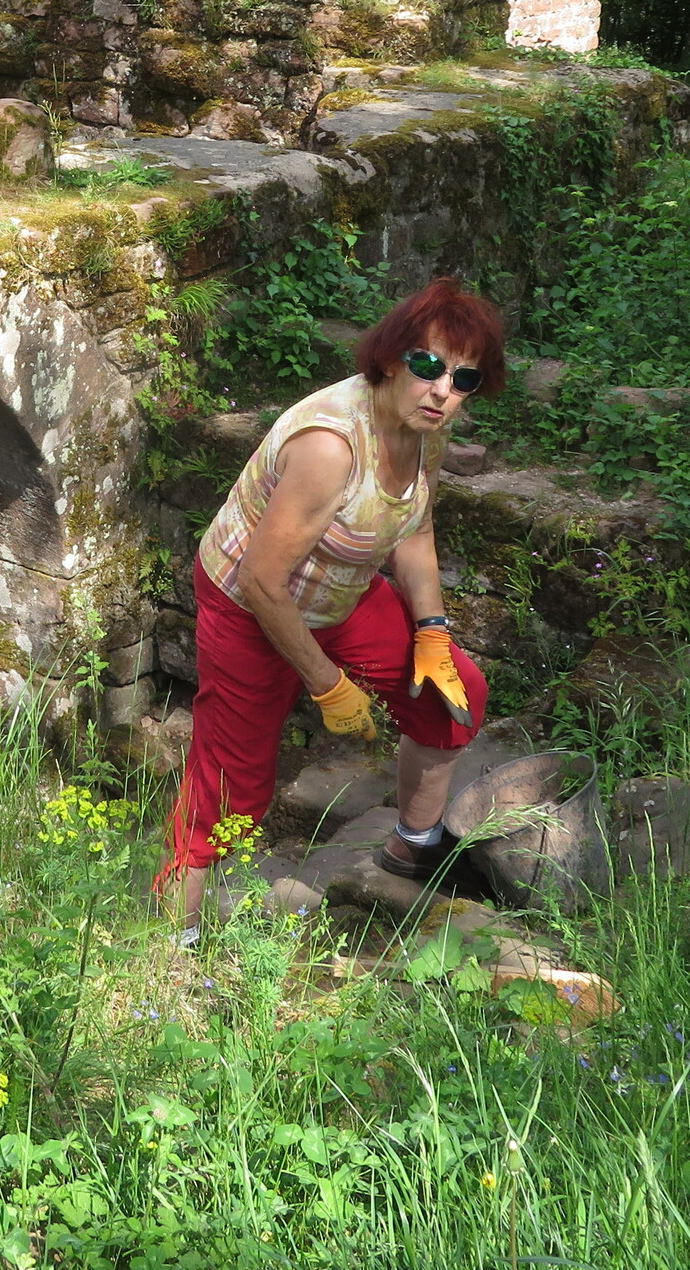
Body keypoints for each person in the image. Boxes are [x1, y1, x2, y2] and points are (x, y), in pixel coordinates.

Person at [157, 275, 500, 930]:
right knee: (233, 788)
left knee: (454, 696)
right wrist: (328, 685)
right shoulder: (330, 446)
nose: (443, 391)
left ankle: (412, 850)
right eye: (428, 366)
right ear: (391, 359)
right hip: (248, 604)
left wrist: (431, 631)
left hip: (337, 592)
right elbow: (262, 581)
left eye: (464, 379)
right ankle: (174, 939)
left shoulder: (426, 431)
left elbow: (415, 528)